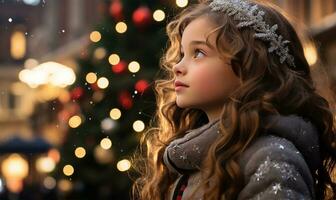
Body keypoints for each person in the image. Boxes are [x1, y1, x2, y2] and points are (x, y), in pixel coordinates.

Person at [131, 0, 336, 199]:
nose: (178, 66)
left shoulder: (270, 157)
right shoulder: (192, 161)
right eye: (182, 54)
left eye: (199, 53)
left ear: (250, 65)